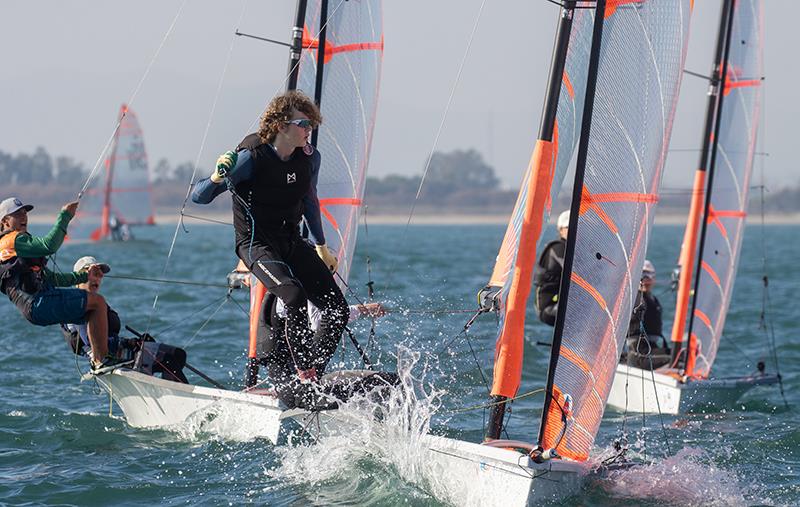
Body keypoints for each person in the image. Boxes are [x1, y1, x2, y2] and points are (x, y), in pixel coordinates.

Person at [191, 90, 348, 385]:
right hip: (255, 244)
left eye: (312, 125)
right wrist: (215, 176)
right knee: (293, 294)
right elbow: (199, 197)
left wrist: (321, 246)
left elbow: (310, 201)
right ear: (281, 126)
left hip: (289, 240)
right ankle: (302, 374)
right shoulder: (250, 158)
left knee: (336, 309)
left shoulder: (309, 160)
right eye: (303, 124)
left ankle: (312, 375)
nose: (309, 131)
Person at [0, 197, 113, 371]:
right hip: (37, 303)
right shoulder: (13, 241)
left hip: (36, 305)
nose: (24, 216)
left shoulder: (17, 247)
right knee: (98, 303)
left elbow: (53, 279)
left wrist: (83, 277)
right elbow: (49, 246)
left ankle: (95, 356)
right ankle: (102, 361)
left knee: (91, 310)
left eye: (25, 212)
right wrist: (65, 216)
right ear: (5, 222)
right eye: (17, 214)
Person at [62, 256, 188, 381]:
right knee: (170, 358)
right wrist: (130, 344)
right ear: (79, 277)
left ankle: (168, 393)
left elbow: (104, 336)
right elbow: (93, 342)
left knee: (178, 355)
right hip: (109, 358)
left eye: (100, 275)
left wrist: (133, 341)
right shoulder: (78, 303)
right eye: (94, 273)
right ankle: (182, 397)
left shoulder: (95, 301)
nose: (98, 279)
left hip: (117, 351)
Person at [624, 260, 670, 370]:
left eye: (648, 275)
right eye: (641, 275)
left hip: (652, 349)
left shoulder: (653, 300)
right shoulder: (634, 298)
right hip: (638, 355)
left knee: (682, 355)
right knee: (676, 358)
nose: (644, 279)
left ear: (654, 279)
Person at [533, 210, 569, 326]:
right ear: (560, 230)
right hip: (549, 308)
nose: (573, 230)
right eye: (568, 227)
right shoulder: (559, 248)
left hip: (561, 303)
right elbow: (576, 272)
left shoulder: (573, 249)